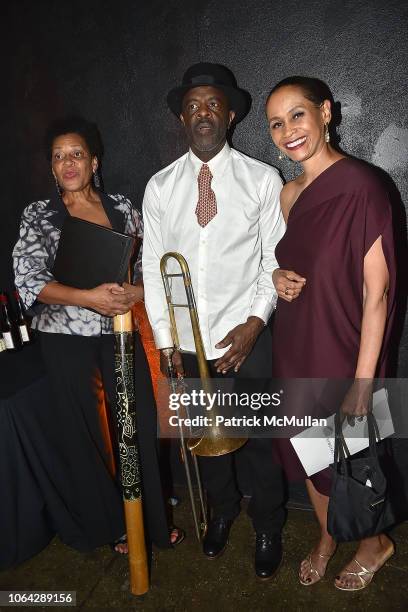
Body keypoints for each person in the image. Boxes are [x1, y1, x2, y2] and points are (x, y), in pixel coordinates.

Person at [142, 63, 290, 579]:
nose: (202, 113)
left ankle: (268, 523)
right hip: (187, 343)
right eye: (192, 107)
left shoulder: (262, 179)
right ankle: (222, 512)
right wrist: (166, 342)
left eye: (211, 105)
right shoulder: (159, 188)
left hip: (247, 334)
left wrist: (254, 323)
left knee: (260, 445)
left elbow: (275, 258)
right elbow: (153, 266)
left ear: (228, 116)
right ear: (182, 120)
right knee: (208, 445)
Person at [12, 116, 182, 555]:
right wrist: (88, 298)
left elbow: (149, 264)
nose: (68, 163)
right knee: (88, 433)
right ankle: (113, 527)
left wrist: (135, 292)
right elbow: (28, 278)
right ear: (52, 168)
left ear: (94, 162)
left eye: (76, 154)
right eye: (58, 157)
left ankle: (149, 521)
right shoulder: (39, 214)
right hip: (64, 337)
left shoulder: (123, 207)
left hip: (120, 331)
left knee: (138, 421)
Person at [266, 76, 396, 591]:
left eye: (297, 115)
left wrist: (363, 383)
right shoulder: (289, 192)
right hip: (295, 344)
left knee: (350, 456)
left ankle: (373, 543)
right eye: (277, 123)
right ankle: (326, 535)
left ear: (325, 113)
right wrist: (276, 277)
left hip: (344, 347)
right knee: (305, 450)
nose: (288, 130)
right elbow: (294, 261)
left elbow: (377, 294)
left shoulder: (364, 185)